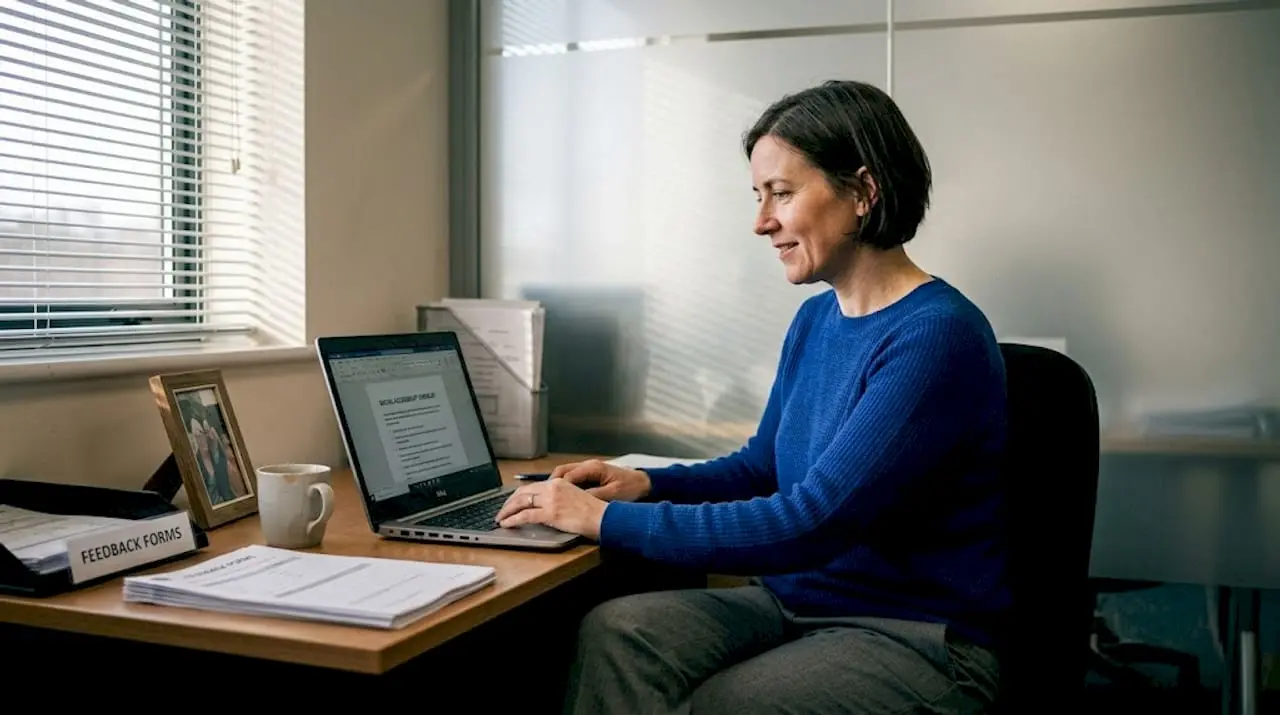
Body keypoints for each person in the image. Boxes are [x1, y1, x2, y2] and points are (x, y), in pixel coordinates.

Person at [495, 79, 1011, 714]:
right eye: (759, 196)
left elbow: (813, 521)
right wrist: (646, 486)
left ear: (863, 192)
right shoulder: (816, 320)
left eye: (782, 193)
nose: (762, 221)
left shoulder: (936, 335)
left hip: (916, 638)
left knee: (728, 704)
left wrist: (602, 521)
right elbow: (761, 469)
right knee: (620, 633)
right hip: (796, 604)